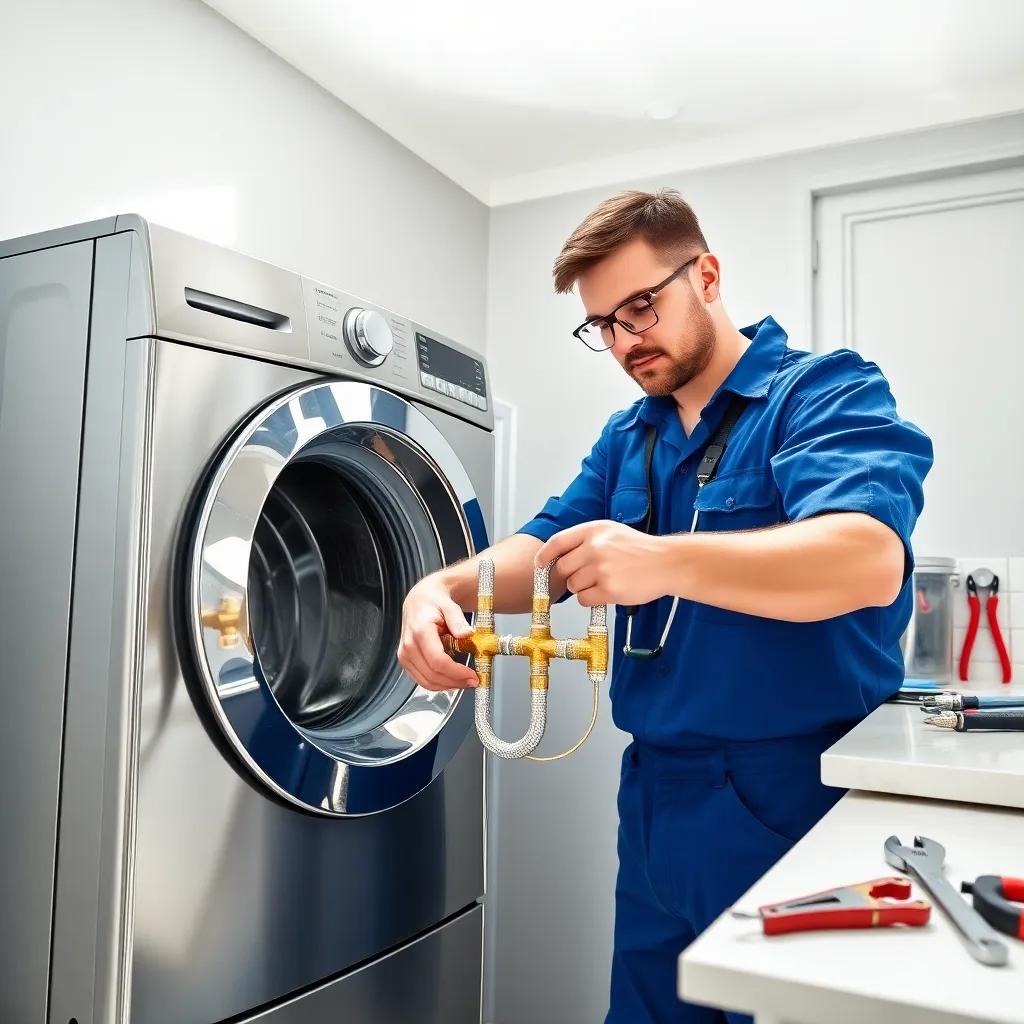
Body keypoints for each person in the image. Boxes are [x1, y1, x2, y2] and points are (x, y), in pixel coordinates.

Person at [397, 188, 933, 1024]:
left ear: (707, 275)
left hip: (791, 790)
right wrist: (438, 588)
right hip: (654, 792)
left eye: (640, 307)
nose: (623, 340)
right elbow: (540, 557)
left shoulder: (821, 392)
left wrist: (661, 560)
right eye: (602, 324)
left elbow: (865, 561)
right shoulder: (631, 436)